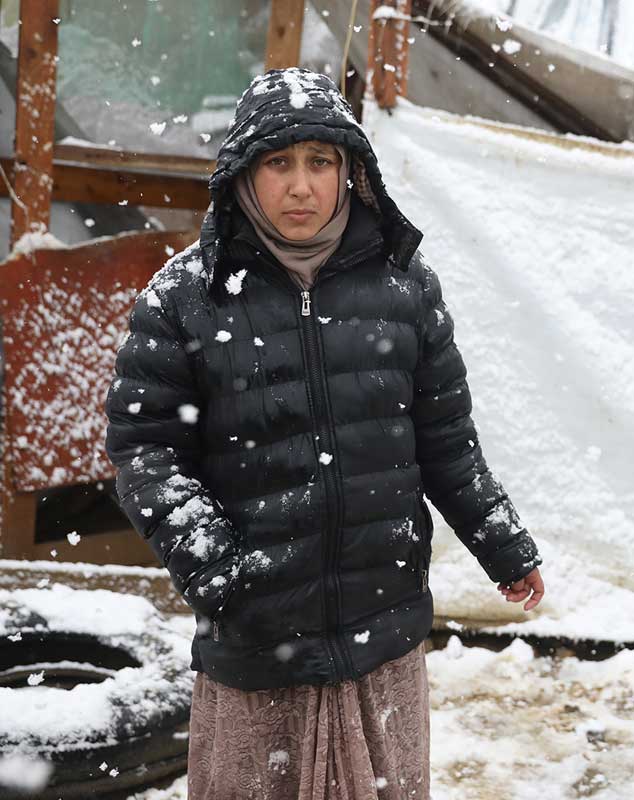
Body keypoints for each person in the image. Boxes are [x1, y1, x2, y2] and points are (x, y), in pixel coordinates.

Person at [104, 67, 545, 799]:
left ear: (350, 173)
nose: (301, 186)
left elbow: (445, 439)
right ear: (244, 173)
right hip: (258, 639)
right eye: (279, 163)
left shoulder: (404, 286)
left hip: (382, 627)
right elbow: (146, 452)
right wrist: (216, 566)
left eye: (321, 161)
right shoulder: (184, 301)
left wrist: (501, 543)